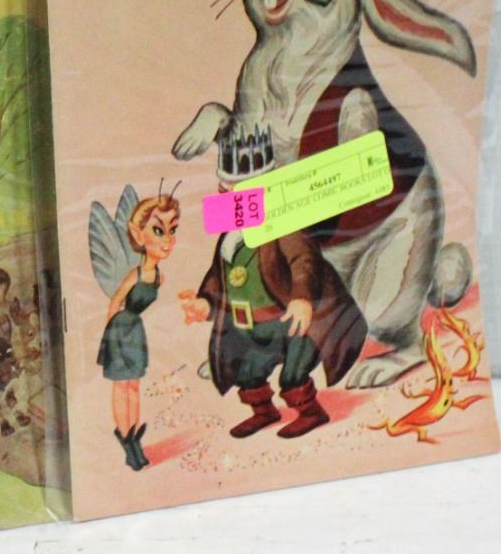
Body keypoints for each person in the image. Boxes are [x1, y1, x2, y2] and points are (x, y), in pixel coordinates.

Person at [177, 227, 367, 439]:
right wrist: (206, 303)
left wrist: (302, 297)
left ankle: (311, 413)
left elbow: (304, 260)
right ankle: (264, 412)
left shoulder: (280, 225)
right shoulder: (227, 240)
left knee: (293, 375)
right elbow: (218, 277)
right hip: (254, 328)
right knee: (247, 372)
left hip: (294, 323)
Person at [98, 191, 179, 471]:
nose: (168, 239)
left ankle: (133, 436)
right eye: (158, 231)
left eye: (172, 230)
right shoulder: (136, 274)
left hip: (135, 332)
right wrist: (110, 338)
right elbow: (115, 302)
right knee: (121, 385)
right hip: (120, 330)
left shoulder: (159, 277)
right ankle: (127, 441)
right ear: (138, 234)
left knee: (134, 386)